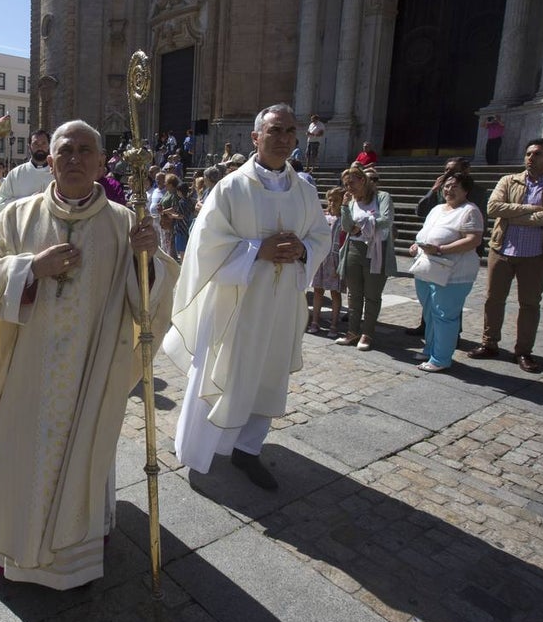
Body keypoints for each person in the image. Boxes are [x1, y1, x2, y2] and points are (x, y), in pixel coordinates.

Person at [0, 119, 178, 589]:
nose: (75, 158)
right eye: (66, 150)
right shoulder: (18, 215)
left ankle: (73, 552)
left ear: (102, 163)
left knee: (84, 452)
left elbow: (146, 307)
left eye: (86, 151)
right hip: (25, 373)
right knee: (19, 458)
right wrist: (30, 269)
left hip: (91, 371)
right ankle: (11, 548)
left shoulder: (125, 223)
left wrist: (149, 261)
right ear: (49, 159)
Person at [167, 104, 330, 490]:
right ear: (256, 137)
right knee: (225, 374)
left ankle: (248, 450)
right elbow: (204, 246)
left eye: (291, 131)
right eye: (275, 130)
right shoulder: (230, 187)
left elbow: (321, 236)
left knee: (267, 376)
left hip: (280, 304)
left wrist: (303, 250)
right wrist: (259, 248)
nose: (284, 138)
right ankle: (200, 449)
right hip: (235, 305)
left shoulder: (305, 189)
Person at [469, 138, 543, 373]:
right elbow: (493, 208)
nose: (530, 158)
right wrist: (530, 210)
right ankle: (489, 343)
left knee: (529, 304)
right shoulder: (509, 180)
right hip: (502, 249)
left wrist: (512, 216)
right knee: (493, 299)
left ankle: (524, 351)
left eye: (537, 154)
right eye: (528, 153)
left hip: (535, 254)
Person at [409, 172, 484, 372]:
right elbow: (428, 232)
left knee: (445, 315)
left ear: (466, 190)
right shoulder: (437, 209)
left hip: (453, 273)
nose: (449, 190)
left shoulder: (469, 211)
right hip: (428, 268)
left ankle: (441, 358)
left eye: (454, 187)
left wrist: (441, 249)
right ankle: (430, 348)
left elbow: (473, 239)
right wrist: (417, 245)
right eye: (447, 186)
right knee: (429, 311)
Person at [335, 166, 396, 351]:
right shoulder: (351, 201)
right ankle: (352, 331)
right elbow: (346, 227)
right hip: (354, 248)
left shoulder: (382, 197)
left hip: (377, 249)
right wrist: (344, 207)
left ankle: (367, 333)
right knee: (354, 294)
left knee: (372, 294)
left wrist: (362, 226)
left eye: (352, 183)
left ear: (363, 180)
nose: (348, 188)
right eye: (346, 184)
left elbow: (386, 219)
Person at [309, 186, 346, 336]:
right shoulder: (324, 217)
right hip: (322, 256)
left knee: (335, 292)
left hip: (335, 257)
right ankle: (315, 321)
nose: (332, 203)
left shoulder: (344, 219)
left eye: (335, 200)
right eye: (330, 200)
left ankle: (334, 324)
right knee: (318, 290)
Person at [0, 129, 52, 210]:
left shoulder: (59, 174)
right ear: (29, 147)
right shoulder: (15, 174)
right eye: (36, 143)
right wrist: (27, 202)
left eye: (43, 143)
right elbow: (0, 203)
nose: (40, 147)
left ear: (49, 146)